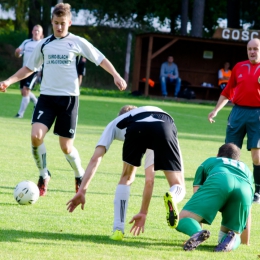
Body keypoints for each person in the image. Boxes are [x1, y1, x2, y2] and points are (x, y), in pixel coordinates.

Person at [0, 3, 127, 197]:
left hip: (69, 100)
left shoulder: (77, 42)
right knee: (36, 136)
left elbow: (99, 58)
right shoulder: (44, 44)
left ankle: (78, 174)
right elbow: (29, 67)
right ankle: (44, 175)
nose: (59, 27)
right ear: (52, 22)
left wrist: (116, 75)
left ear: (70, 22)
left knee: (66, 147)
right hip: (47, 98)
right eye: (56, 23)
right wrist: (9, 81)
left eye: (63, 23)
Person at [67, 105, 186, 240]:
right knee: (178, 184)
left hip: (136, 128)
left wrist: (82, 190)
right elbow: (149, 180)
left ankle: (118, 229)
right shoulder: (149, 113)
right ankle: (173, 196)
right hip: (165, 125)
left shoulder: (116, 122)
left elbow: (95, 158)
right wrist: (143, 212)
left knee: (126, 177)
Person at [208, 38, 260, 204]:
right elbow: (227, 91)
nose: (252, 52)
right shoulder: (239, 67)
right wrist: (215, 110)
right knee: (229, 153)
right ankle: (229, 188)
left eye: (256, 49)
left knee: (257, 156)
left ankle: (257, 191)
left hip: (257, 114)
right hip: (237, 112)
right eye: (250, 49)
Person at [175, 143, 253, 252]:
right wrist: (246, 241)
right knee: (228, 235)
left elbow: (197, 195)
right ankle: (234, 239)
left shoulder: (210, 161)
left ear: (218, 155)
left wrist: (196, 231)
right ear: (238, 159)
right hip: (244, 190)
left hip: (220, 181)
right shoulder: (247, 169)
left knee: (182, 219)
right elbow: (247, 209)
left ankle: (197, 233)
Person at [14, 24, 43, 118]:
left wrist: (41, 72)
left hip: (35, 71)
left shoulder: (42, 43)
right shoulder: (26, 42)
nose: (36, 32)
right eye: (35, 30)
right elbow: (18, 54)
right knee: (23, 91)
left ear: (41, 33)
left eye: (38, 31)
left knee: (26, 89)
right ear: (32, 31)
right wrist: (17, 52)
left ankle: (20, 114)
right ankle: (36, 102)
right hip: (24, 70)